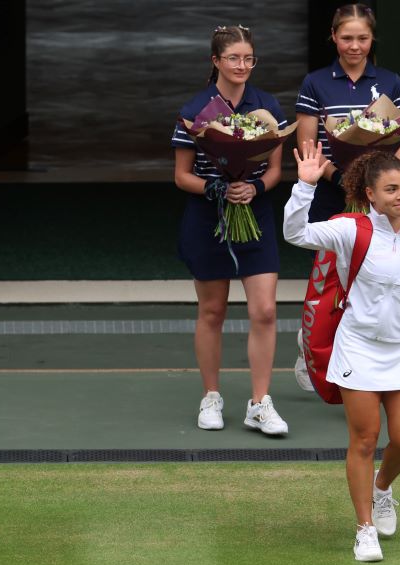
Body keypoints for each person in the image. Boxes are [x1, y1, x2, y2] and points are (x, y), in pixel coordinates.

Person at [284, 141, 400, 563]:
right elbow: (296, 233)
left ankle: (382, 487)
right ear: (370, 194)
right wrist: (304, 186)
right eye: (390, 189)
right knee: (365, 440)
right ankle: (364, 528)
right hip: (359, 349)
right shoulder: (350, 230)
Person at [171, 25, 288, 436]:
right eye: (234, 58)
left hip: (255, 215)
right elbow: (181, 176)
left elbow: (275, 169)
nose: (242, 66)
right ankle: (211, 396)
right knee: (213, 311)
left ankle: (260, 402)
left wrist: (253, 185)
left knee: (266, 311)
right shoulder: (194, 109)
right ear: (216, 61)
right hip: (207, 218)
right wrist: (216, 186)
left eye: (249, 59)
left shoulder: (268, 105)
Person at [295, 4, 400, 223]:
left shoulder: (392, 81)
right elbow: (309, 146)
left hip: (381, 197)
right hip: (330, 194)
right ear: (333, 35)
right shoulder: (314, 82)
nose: (354, 46)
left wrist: (384, 178)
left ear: (372, 37)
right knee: (333, 256)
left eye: (363, 38)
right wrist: (341, 178)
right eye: (346, 38)